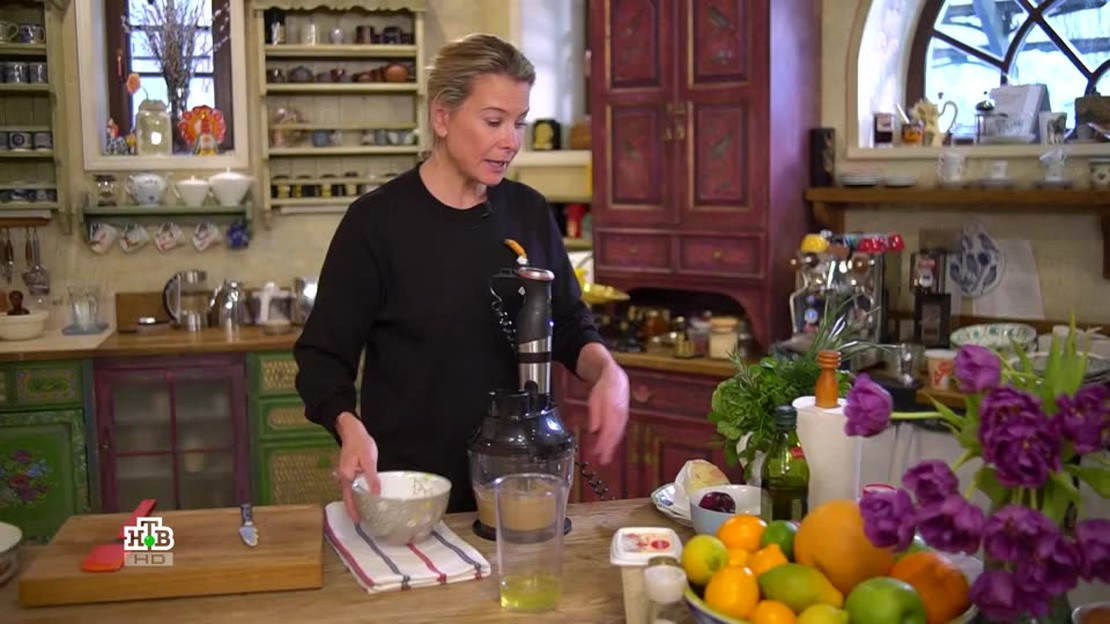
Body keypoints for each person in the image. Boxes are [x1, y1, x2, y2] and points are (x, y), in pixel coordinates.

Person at [294, 33, 630, 522]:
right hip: (412, 492)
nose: (511, 140)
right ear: (442, 117)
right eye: (494, 121)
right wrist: (349, 427)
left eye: (519, 122)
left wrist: (608, 372)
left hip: (518, 485)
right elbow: (322, 358)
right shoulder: (375, 224)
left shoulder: (530, 213)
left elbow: (570, 323)